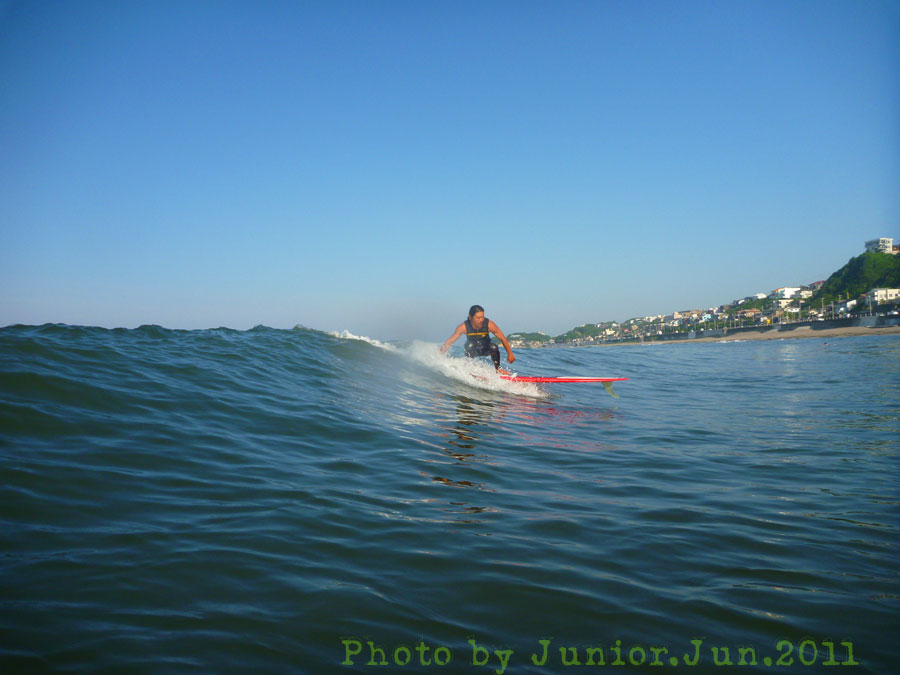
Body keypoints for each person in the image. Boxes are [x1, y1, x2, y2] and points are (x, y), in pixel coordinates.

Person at [440, 305, 516, 373]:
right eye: (478, 318)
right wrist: (439, 355)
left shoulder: (489, 324)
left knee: (493, 347)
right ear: (470, 317)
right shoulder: (463, 327)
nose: (481, 320)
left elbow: (502, 338)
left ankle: (498, 369)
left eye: (482, 317)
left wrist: (510, 354)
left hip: (486, 348)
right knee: (469, 345)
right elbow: (449, 341)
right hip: (473, 350)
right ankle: (470, 369)